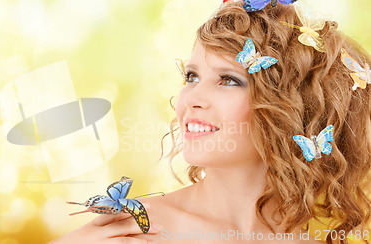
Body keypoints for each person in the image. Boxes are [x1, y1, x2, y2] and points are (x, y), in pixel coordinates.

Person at [49, 1, 371, 243]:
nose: (191, 99)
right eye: (192, 76)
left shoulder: (320, 233)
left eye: (228, 80)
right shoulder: (134, 231)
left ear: (295, 107)